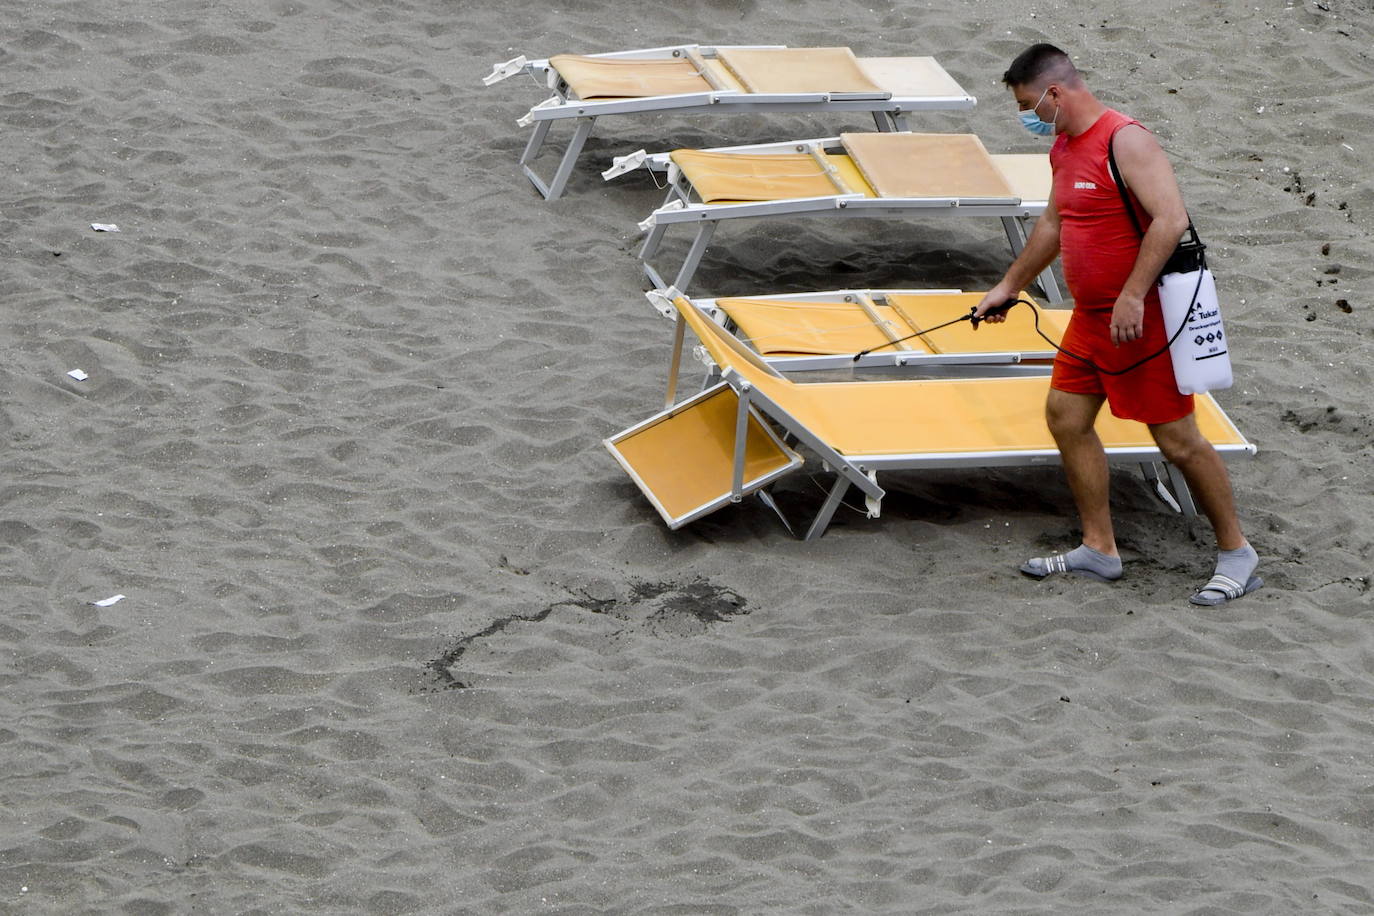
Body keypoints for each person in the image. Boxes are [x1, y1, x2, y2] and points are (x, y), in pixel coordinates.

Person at [973, 43, 1260, 607]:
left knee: (1177, 440)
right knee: (1065, 415)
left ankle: (1237, 553)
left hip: (1141, 320)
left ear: (1056, 93)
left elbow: (1170, 219)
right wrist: (1010, 286)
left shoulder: (1124, 139)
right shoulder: (1064, 147)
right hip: (1090, 320)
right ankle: (1099, 548)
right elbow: (1055, 223)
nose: (1027, 115)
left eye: (1029, 103)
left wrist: (1131, 295)